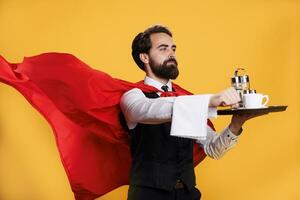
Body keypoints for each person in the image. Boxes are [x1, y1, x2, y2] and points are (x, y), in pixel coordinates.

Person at [120, 25, 263, 200]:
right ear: (144, 57)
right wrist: (209, 101)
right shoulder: (133, 96)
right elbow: (151, 110)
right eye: (163, 48)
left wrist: (236, 124)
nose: (171, 53)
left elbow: (213, 149)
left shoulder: (187, 99)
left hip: (188, 194)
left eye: (173, 48)